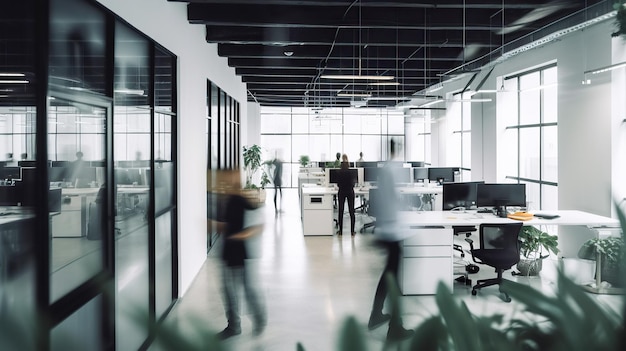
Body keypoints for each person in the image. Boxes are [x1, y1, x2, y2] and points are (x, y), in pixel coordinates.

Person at [210, 169, 266, 340]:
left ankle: (258, 318)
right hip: (227, 250)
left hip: (240, 251)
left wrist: (242, 234)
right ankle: (234, 325)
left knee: (247, 289)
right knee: (228, 290)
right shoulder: (224, 199)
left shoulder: (239, 199)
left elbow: (258, 223)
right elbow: (226, 225)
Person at [367, 139, 413, 341]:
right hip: (392, 229)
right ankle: (395, 328)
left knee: (388, 277)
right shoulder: (393, 169)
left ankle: (376, 315)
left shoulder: (386, 168)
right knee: (394, 281)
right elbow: (393, 199)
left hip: (387, 227)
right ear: (398, 150)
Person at [335, 154, 356, 236]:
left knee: (341, 211)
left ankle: (340, 231)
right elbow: (353, 184)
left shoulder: (339, 172)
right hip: (350, 192)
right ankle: (352, 231)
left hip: (342, 192)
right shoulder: (351, 172)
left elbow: (338, 184)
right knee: (351, 211)